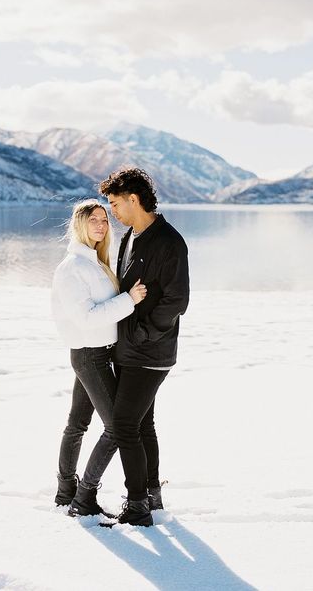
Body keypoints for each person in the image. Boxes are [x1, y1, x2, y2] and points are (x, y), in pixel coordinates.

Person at [99, 167, 190, 527]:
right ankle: (151, 494)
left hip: (149, 354)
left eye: (115, 203)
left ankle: (137, 506)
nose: (112, 212)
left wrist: (142, 335)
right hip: (129, 350)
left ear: (133, 199)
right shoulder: (131, 236)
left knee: (123, 426)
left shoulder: (168, 241)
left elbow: (176, 301)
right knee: (142, 425)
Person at [51, 198, 147, 517]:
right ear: (79, 223)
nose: (101, 225)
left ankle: (66, 491)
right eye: (93, 219)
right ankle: (83, 496)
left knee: (77, 424)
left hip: (97, 353)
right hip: (90, 355)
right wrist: (128, 300)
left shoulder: (96, 262)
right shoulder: (72, 268)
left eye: (104, 220)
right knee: (117, 428)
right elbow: (88, 317)